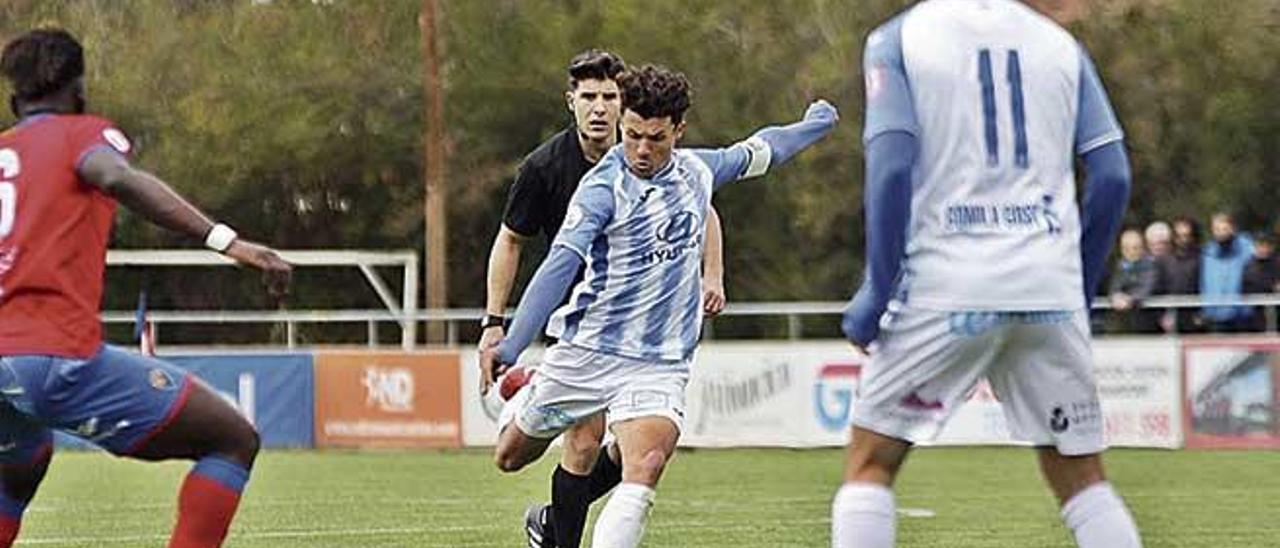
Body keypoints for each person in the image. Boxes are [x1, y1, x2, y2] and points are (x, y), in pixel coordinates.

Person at [480, 64, 837, 548]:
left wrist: (815, 123)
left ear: (678, 131)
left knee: (645, 464)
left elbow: (764, 149)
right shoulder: (602, 189)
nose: (642, 151)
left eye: (655, 139)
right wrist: (514, 340)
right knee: (511, 457)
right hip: (589, 348)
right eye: (632, 137)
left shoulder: (698, 170)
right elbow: (560, 265)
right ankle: (528, 395)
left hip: (660, 360)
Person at [835, 1, 1142, 547]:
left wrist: (875, 295)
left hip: (947, 284)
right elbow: (1113, 174)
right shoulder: (1061, 46)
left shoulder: (896, 39)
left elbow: (892, 170)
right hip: (1049, 287)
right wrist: (1079, 284)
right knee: (1082, 479)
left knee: (870, 464)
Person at [0, 29, 292, 548]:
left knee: (19, 467)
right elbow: (115, 176)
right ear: (80, 86)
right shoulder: (81, 135)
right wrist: (228, 241)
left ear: (13, 97)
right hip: (50, 354)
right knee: (232, 439)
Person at [477, 49, 727, 548]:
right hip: (578, 327)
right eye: (588, 97)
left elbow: (702, 205)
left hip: (641, 338)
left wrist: (711, 273)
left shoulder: (654, 150)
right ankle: (533, 413)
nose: (598, 108)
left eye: (608, 97)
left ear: (624, 103)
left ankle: (553, 534)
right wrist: (495, 321)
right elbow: (511, 241)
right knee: (558, 447)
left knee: (625, 446)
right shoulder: (545, 168)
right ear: (571, 102)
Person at [1201, 212, 1254, 332]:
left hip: (1242, 317)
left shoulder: (1247, 249)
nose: (1221, 233)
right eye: (1217, 229)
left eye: (1225, 229)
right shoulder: (1207, 253)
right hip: (1215, 317)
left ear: (1233, 229)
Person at [1156, 216, 1203, 332]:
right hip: (1171, 314)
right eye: (1179, 236)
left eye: (1186, 235)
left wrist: (1201, 312)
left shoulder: (1200, 259)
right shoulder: (1164, 260)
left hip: (1193, 315)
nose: (1183, 240)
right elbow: (1159, 287)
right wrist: (1162, 314)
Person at [1108, 229, 1159, 333]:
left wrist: (1129, 299)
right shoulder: (1120, 265)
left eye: (1135, 248)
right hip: (1126, 321)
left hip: (1149, 320)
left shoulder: (1150, 265)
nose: (1131, 252)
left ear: (1142, 248)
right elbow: (1114, 286)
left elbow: (1147, 287)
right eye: (1126, 248)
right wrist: (1115, 296)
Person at [1243, 231, 1279, 331]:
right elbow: (1246, 289)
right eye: (1260, 245)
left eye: (1266, 245)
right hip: (1254, 318)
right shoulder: (1248, 266)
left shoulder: (1277, 264)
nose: (1263, 249)